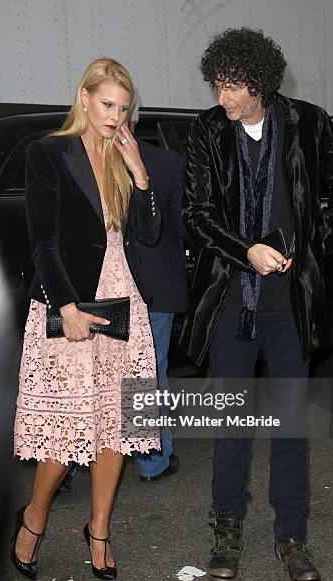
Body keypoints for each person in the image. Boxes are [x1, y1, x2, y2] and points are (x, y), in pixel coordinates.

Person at [179, 28, 333, 581]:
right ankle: (227, 529)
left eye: (230, 87)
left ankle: (291, 535)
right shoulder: (209, 131)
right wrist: (245, 250)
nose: (221, 98)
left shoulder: (308, 122)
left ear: (258, 83)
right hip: (233, 304)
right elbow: (197, 212)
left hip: (290, 308)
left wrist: (314, 245)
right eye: (216, 86)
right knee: (231, 424)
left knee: (290, 424)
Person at [12, 57, 161, 581]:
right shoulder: (48, 153)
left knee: (116, 426)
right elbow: (43, 242)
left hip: (125, 305)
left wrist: (140, 173)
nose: (115, 116)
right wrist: (66, 306)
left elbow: (148, 238)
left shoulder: (124, 159)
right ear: (84, 98)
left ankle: (99, 529)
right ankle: (34, 517)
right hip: (73, 302)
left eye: (123, 108)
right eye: (106, 105)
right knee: (65, 426)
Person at [129, 93, 188, 481]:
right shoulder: (168, 162)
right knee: (146, 373)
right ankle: (152, 462)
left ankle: (68, 465)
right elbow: (184, 228)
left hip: (94, 290)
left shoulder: (75, 160)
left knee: (87, 374)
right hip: (153, 288)